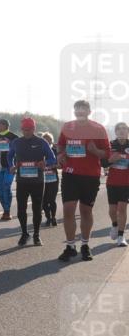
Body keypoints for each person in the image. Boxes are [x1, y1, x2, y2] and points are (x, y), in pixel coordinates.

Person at [57, 100, 111, 262]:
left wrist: (95, 151)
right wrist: (61, 155)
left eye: (83, 109)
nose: (80, 111)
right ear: (74, 111)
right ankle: (70, 246)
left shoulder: (98, 129)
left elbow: (107, 153)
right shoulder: (67, 127)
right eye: (77, 109)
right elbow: (60, 146)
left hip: (90, 176)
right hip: (70, 174)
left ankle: (85, 245)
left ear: (89, 111)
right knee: (68, 209)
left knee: (86, 211)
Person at [8, 117, 56, 247]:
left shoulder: (41, 142)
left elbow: (52, 158)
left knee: (37, 209)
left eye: (28, 130)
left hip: (38, 181)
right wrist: (11, 166)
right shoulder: (17, 142)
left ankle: (36, 235)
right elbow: (10, 156)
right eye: (24, 129)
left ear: (34, 129)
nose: (26, 132)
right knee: (21, 209)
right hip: (22, 181)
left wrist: (45, 163)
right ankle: (24, 233)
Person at [102, 121, 129, 247]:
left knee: (122, 209)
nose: (122, 131)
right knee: (113, 210)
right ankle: (114, 225)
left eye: (124, 129)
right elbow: (103, 163)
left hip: (126, 183)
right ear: (116, 132)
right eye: (119, 129)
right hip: (112, 182)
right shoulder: (110, 145)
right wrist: (110, 160)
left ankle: (121, 236)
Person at [0, 119, 19, 220]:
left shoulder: (14, 137)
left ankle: (7, 211)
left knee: (6, 187)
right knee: (0, 191)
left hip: (9, 167)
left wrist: (16, 165)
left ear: (4, 125)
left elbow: (19, 152)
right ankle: (4, 209)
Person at [41, 132, 60, 227]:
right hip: (42, 180)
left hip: (53, 179)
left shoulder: (55, 150)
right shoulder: (39, 151)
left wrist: (54, 165)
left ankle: (54, 217)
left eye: (48, 140)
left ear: (51, 141)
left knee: (52, 200)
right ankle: (48, 218)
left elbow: (60, 165)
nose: (46, 142)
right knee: (44, 201)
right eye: (44, 140)